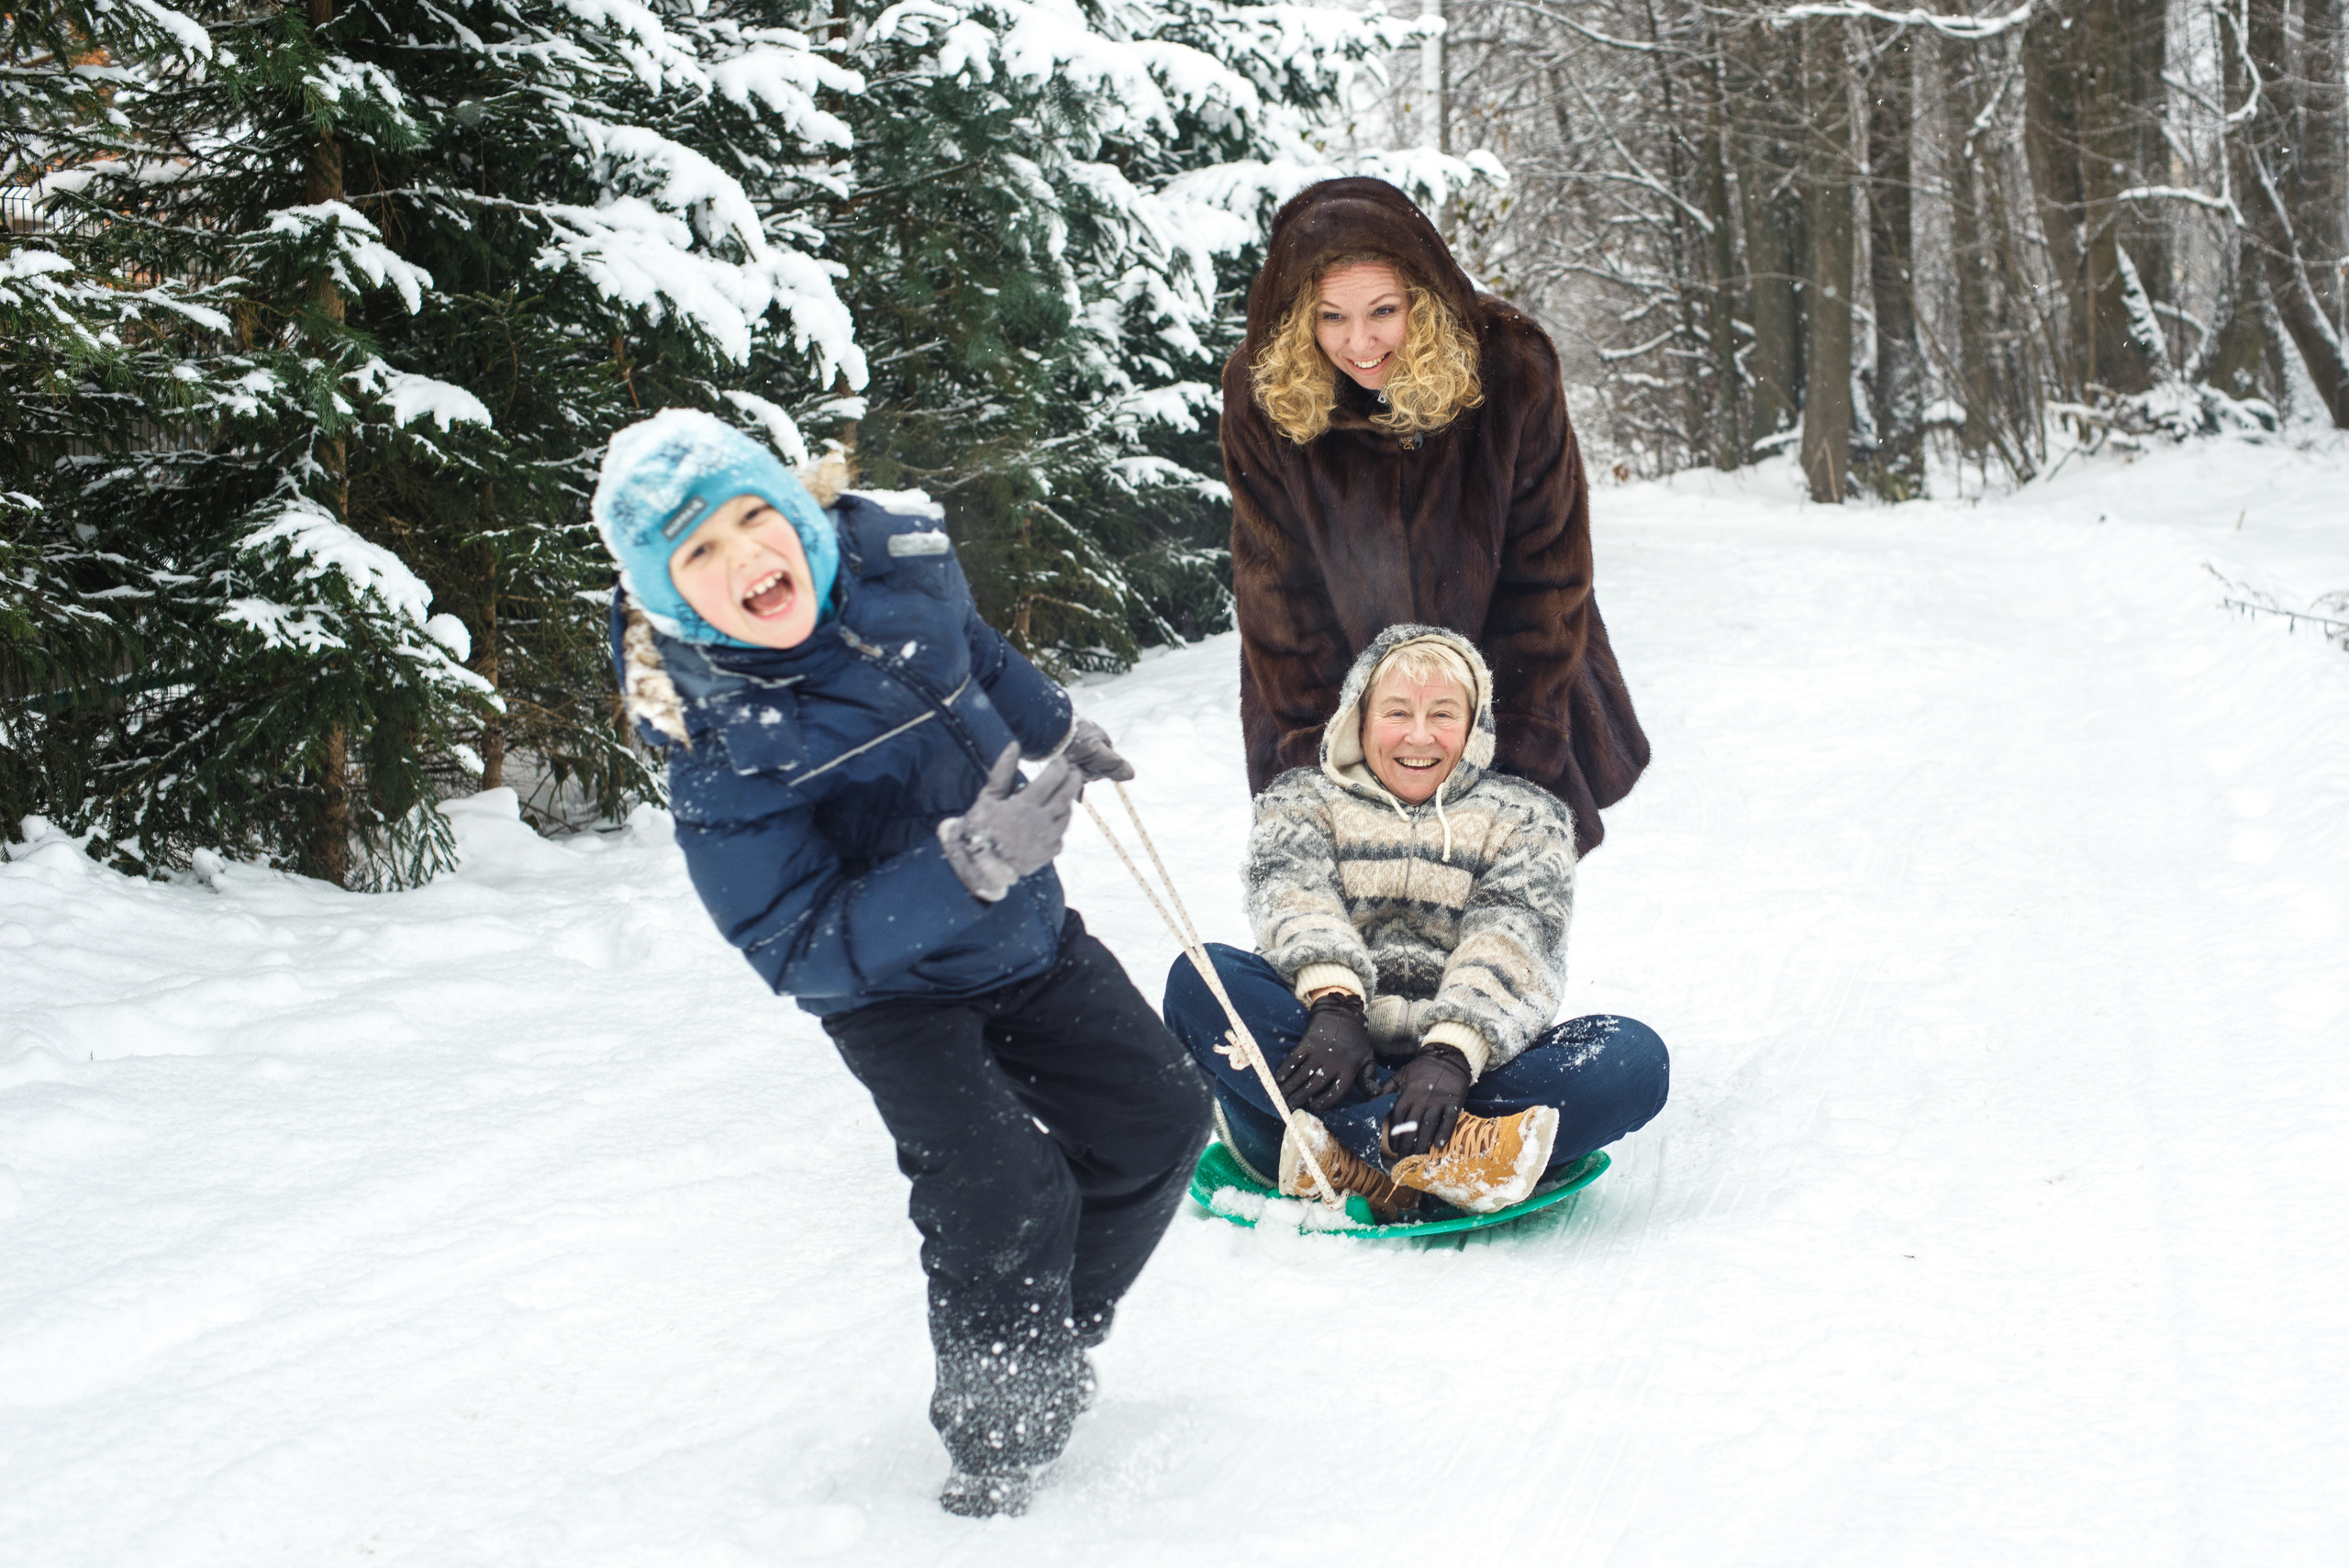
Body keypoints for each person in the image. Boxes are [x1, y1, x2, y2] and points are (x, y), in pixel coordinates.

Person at [594, 409, 1209, 1518]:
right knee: (996, 1188)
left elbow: (975, 652)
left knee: (1160, 1115)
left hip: (1023, 933)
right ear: (666, 591)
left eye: (751, 517)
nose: (744, 556)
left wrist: (1056, 728)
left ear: (794, 506)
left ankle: (1050, 1334)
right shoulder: (713, 734)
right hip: (887, 994)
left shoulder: (901, 564)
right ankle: (999, 1440)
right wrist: (963, 866)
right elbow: (792, 944)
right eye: (697, 552)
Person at [1163, 624, 1666, 1218]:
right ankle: (1432, 1153)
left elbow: (1517, 932)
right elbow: (1291, 892)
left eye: (1444, 713)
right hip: (1327, 1063)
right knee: (1201, 976)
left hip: (1465, 1083)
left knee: (1633, 1057)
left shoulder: (1528, 818)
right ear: (1362, 717)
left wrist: (1451, 1054)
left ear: (1475, 724)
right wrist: (1335, 1002)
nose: (1420, 735)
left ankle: (1354, 1152)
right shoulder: (1300, 799)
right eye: (1398, 711)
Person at [1222, 177, 1649, 856]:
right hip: (1329, 701)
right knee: (1357, 927)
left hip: (1515, 684)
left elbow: (1545, 578)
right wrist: (1332, 763)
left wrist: (1506, 754)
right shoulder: (1262, 390)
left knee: (1500, 930)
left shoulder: (1514, 368)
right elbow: (1279, 591)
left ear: (1422, 295)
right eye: (1330, 316)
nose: (1360, 342)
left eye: (1383, 310)